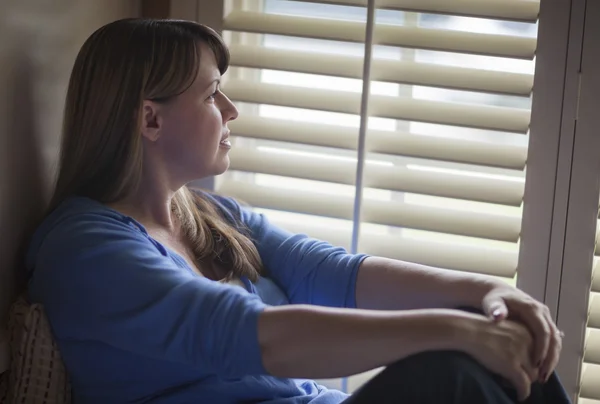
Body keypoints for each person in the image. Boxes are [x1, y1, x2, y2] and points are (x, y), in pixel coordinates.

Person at [24, 18, 571, 404]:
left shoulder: (213, 215)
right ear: (150, 120)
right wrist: (455, 333)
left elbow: (334, 271)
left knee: (506, 341)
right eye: (213, 94)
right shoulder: (85, 247)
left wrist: (485, 295)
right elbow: (252, 336)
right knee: (455, 372)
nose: (231, 111)